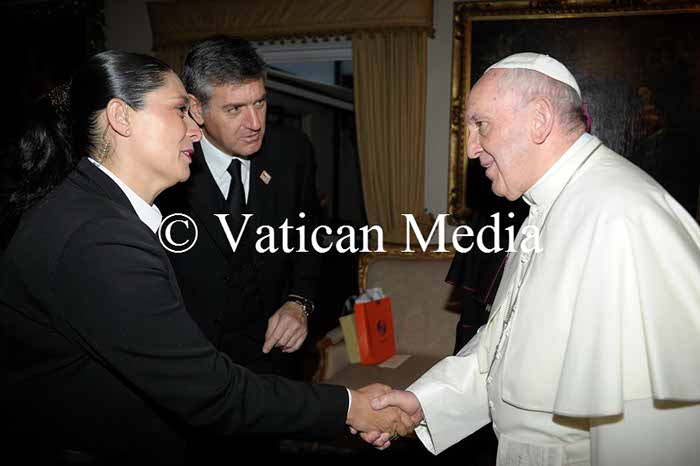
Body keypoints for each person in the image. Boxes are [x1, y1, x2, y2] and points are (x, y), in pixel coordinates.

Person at [0, 50, 413, 465]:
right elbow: (211, 393)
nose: (195, 130)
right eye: (180, 110)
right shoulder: (100, 240)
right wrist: (350, 407)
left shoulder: (88, 207)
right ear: (121, 117)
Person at [364, 53, 700, 465]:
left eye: (481, 125)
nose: (470, 149)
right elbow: (502, 348)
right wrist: (424, 402)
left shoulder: (623, 216)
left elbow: (651, 432)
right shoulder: (542, 209)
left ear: (539, 119)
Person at [157, 36, 320, 380]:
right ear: (196, 109)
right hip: (194, 367)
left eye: (260, 102)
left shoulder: (293, 152)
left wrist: (299, 303)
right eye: (235, 109)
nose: (255, 122)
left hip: (276, 364)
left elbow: (309, 240)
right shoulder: (163, 165)